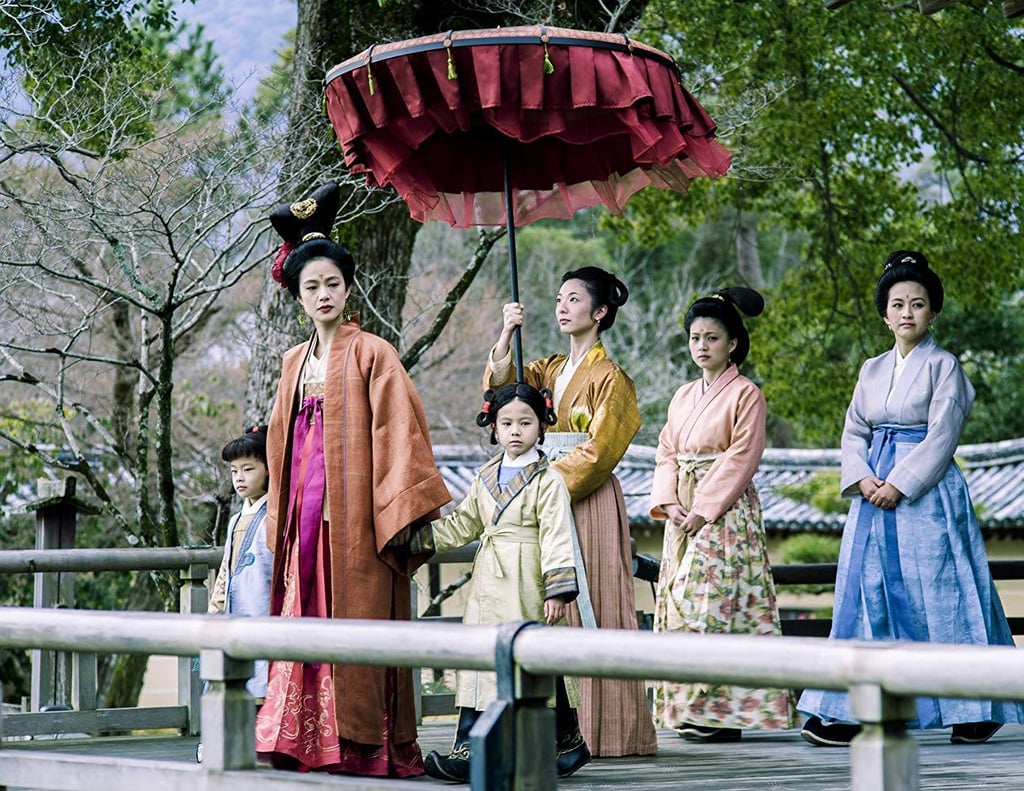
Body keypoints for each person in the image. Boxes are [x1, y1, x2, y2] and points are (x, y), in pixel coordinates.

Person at [254, 182, 451, 777]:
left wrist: (395, 508)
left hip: (356, 515)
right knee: (303, 612)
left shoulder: (374, 353)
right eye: (311, 286)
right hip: (302, 519)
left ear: (348, 287)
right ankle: (298, 737)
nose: (322, 294)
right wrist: (277, 509)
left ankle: (362, 744)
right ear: (298, 295)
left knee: (356, 617)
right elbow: (277, 441)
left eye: (332, 284)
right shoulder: (293, 360)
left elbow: (401, 433)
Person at [799, 250, 1024, 747]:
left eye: (918, 304)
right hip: (870, 493)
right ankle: (855, 708)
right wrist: (863, 480)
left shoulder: (945, 367)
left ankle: (974, 705)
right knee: (865, 594)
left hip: (926, 495)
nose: (907, 313)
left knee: (945, 592)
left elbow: (943, 433)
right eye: (897, 304)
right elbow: (853, 430)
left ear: (933, 312)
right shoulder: (871, 369)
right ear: (884, 314)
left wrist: (898, 482)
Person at [485, 266, 657, 758]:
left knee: (594, 599)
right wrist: (506, 332)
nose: (562, 306)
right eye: (559, 298)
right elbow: (505, 393)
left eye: (575, 299)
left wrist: (545, 484)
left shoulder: (612, 379)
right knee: (549, 603)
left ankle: (610, 730)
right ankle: (560, 731)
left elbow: (601, 450)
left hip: (586, 497)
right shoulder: (549, 370)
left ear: (600, 312)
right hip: (548, 494)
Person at [421, 382, 591, 782]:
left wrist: (558, 589)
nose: (516, 431)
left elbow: (557, 533)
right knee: (482, 659)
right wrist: (421, 538)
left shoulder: (548, 480)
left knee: (533, 657)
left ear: (541, 427)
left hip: (528, 578)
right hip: (488, 580)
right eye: (507, 423)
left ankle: (560, 742)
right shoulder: (484, 476)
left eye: (525, 422)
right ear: (494, 428)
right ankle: (470, 746)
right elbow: (465, 522)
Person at [649, 287, 796, 742]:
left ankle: (727, 713)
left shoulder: (747, 394)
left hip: (724, 512)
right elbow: (666, 450)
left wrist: (703, 509)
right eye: (695, 337)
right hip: (683, 510)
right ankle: (692, 709)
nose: (702, 346)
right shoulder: (682, 396)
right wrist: (671, 501)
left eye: (712, 337)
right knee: (678, 602)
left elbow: (741, 456)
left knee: (716, 603)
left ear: (732, 343)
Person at [208, 424, 274, 700]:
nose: (239, 478)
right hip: (236, 609)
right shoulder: (235, 519)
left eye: (248, 469)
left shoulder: (276, 515)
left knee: (264, 684)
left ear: (268, 470)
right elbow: (226, 569)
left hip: (265, 608)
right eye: (234, 471)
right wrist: (216, 607)